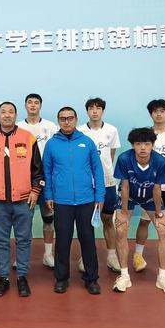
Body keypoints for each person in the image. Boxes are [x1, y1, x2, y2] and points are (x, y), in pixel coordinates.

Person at [0, 102, 43, 297]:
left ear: (16, 115)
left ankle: (22, 277)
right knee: (1, 240)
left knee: (24, 240)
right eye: (3, 112)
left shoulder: (28, 138)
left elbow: (37, 169)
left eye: (11, 112)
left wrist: (35, 191)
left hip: (24, 201)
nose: (7, 115)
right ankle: (4, 278)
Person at [43, 106, 104, 295]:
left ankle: (92, 279)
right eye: (62, 118)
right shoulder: (52, 144)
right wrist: (48, 195)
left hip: (86, 200)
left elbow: (97, 170)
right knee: (62, 241)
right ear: (58, 121)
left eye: (70, 118)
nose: (66, 121)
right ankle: (61, 279)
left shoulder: (87, 142)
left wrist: (99, 196)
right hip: (62, 201)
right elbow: (46, 171)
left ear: (76, 119)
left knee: (88, 241)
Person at [113, 127, 165, 295]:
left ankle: (162, 277)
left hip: (150, 197)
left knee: (164, 232)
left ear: (153, 145)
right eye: (138, 144)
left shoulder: (159, 161)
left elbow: (157, 188)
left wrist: (159, 213)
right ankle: (124, 275)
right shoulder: (124, 158)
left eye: (147, 144)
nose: (142, 148)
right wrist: (123, 212)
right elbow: (125, 186)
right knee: (121, 229)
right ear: (132, 145)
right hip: (129, 196)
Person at [134, 99, 165, 272]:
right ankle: (137, 256)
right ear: (151, 114)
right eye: (155, 111)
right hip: (150, 186)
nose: (158, 114)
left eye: (162, 111)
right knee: (145, 221)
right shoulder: (145, 136)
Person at [77, 97, 121, 273]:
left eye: (98, 108)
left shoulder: (112, 130)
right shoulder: (80, 131)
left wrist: (103, 175)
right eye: (91, 108)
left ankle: (111, 256)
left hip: (107, 182)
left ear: (103, 110)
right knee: (85, 222)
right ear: (87, 111)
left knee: (107, 219)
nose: (94, 111)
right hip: (86, 184)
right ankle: (85, 257)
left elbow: (111, 155)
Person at [17, 93, 58, 268]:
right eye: (30, 102)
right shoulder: (18, 127)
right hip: (25, 181)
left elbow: (57, 151)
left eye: (36, 103)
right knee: (24, 221)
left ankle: (48, 255)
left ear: (40, 106)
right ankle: (21, 257)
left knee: (49, 219)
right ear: (25, 106)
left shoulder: (51, 127)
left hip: (47, 179)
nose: (33, 105)